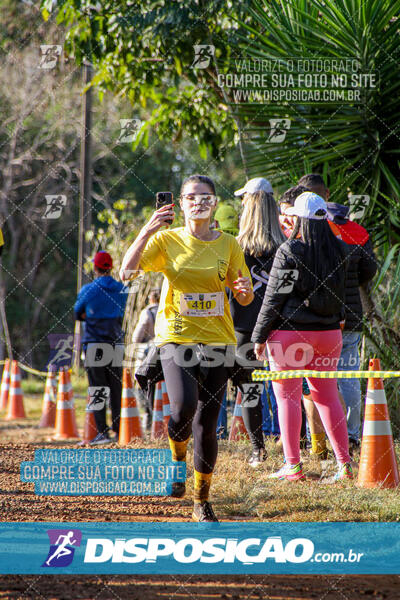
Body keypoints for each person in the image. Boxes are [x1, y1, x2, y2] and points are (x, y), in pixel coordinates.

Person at [120, 174, 253, 522]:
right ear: (180, 204)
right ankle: (177, 459)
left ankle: (201, 501)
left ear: (214, 202)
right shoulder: (166, 240)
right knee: (182, 409)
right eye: (191, 197)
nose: (198, 202)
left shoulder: (230, 244)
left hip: (219, 339)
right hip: (176, 337)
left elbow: (245, 293)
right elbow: (126, 271)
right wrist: (147, 229)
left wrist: (242, 289)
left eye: (205, 197)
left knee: (207, 425)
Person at [252, 192, 353, 481]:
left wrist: (259, 336)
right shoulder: (341, 250)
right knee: (328, 398)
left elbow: (274, 298)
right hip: (329, 334)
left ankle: (293, 466)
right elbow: (342, 296)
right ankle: (344, 466)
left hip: (290, 335)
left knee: (288, 399)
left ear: (297, 219)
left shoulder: (290, 250)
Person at [299, 174, 377, 451]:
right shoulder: (356, 231)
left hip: (318, 322)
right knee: (348, 376)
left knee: (315, 380)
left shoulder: (307, 231)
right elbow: (369, 271)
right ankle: (352, 435)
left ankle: (316, 440)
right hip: (352, 317)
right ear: (328, 193)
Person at [230, 177, 286, 466]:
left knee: (249, 389)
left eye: (243, 200)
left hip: (243, 329)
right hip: (282, 329)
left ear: (249, 206)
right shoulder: (286, 247)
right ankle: (295, 450)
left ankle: (258, 449)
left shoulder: (234, 247)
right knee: (288, 390)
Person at [74, 251, 127, 444]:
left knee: (97, 388)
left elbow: (77, 313)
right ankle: (120, 430)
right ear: (110, 267)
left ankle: (102, 433)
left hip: (94, 344)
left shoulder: (88, 290)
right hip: (114, 343)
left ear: (95, 268)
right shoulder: (122, 289)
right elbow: (122, 314)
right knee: (115, 387)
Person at [132, 289, 160, 431]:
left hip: (148, 355)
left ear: (150, 299)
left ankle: (148, 417)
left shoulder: (147, 313)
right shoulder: (169, 310)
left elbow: (136, 337)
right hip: (167, 353)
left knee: (146, 384)